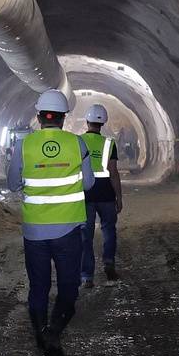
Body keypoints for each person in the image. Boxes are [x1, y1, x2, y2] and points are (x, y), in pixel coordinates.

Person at [8, 91, 94, 356]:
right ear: (64, 117)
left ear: (38, 117)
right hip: (68, 230)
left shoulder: (24, 144)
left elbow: (12, 184)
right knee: (69, 287)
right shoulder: (77, 144)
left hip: (34, 231)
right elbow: (89, 184)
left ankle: (40, 335)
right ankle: (54, 333)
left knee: (38, 287)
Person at [79, 104, 123, 284]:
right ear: (103, 123)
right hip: (106, 194)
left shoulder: (78, 141)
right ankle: (109, 263)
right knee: (109, 230)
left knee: (85, 236)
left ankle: (87, 276)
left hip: (85, 194)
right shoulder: (109, 143)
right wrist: (119, 197)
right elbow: (113, 172)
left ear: (87, 121)